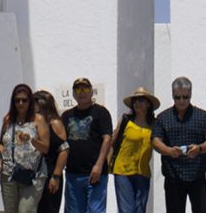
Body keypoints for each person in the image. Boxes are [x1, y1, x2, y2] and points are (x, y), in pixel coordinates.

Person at [151, 77, 206, 213]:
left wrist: (200, 149)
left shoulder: (203, 116)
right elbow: (155, 141)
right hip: (173, 176)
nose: (181, 101)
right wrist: (169, 151)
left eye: (185, 97)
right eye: (177, 97)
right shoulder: (163, 117)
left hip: (197, 175)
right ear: (172, 96)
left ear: (191, 95)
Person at [61, 78, 113, 213]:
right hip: (73, 175)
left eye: (85, 89)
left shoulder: (101, 113)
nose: (81, 92)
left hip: (95, 174)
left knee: (95, 211)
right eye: (78, 89)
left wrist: (99, 165)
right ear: (73, 93)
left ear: (91, 92)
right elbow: (62, 143)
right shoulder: (66, 116)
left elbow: (107, 139)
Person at [0, 84, 50, 213]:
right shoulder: (8, 120)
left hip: (32, 175)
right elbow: (1, 143)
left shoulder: (38, 120)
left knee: (26, 210)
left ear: (30, 101)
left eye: (24, 100)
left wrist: (31, 140)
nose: (21, 103)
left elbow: (45, 148)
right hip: (9, 174)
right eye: (17, 100)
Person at [109, 87, 159, 213]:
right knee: (127, 210)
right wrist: (105, 164)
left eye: (141, 100)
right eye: (135, 100)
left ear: (148, 103)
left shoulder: (155, 124)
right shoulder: (126, 120)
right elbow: (112, 142)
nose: (137, 103)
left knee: (140, 209)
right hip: (123, 171)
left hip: (143, 172)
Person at [34, 90, 70, 213]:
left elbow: (64, 150)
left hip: (50, 175)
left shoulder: (55, 123)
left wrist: (56, 176)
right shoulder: (31, 124)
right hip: (33, 177)